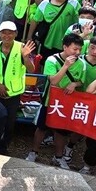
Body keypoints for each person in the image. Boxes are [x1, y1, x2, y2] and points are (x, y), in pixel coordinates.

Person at [26, 34, 84, 168]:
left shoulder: (81, 63)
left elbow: (81, 81)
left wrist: (75, 84)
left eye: (80, 49)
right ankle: (34, 152)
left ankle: (58, 157)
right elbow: (53, 81)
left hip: (67, 102)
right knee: (42, 127)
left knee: (61, 131)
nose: (77, 52)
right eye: (74, 49)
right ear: (65, 47)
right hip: (50, 100)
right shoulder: (52, 60)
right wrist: (65, 66)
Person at [0, 21, 36, 154]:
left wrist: (26, 57)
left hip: (13, 93)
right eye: (4, 33)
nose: (7, 36)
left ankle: (3, 146)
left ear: (16, 33)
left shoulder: (22, 48)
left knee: (9, 122)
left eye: (10, 33)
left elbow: (31, 69)